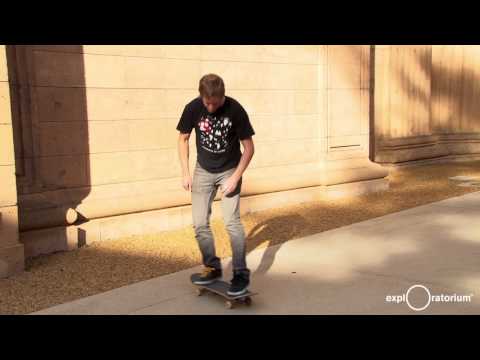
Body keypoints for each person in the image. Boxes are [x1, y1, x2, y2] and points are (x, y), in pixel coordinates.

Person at [176, 73, 255, 296]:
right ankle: (212, 266)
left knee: (232, 223)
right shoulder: (192, 108)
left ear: (222, 96)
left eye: (216, 102)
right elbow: (182, 139)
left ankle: (240, 274)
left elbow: (249, 148)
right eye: (207, 102)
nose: (211, 107)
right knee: (200, 223)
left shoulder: (235, 110)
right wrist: (185, 172)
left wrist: (235, 177)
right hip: (203, 171)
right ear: (201, 96)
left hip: (229, 170)